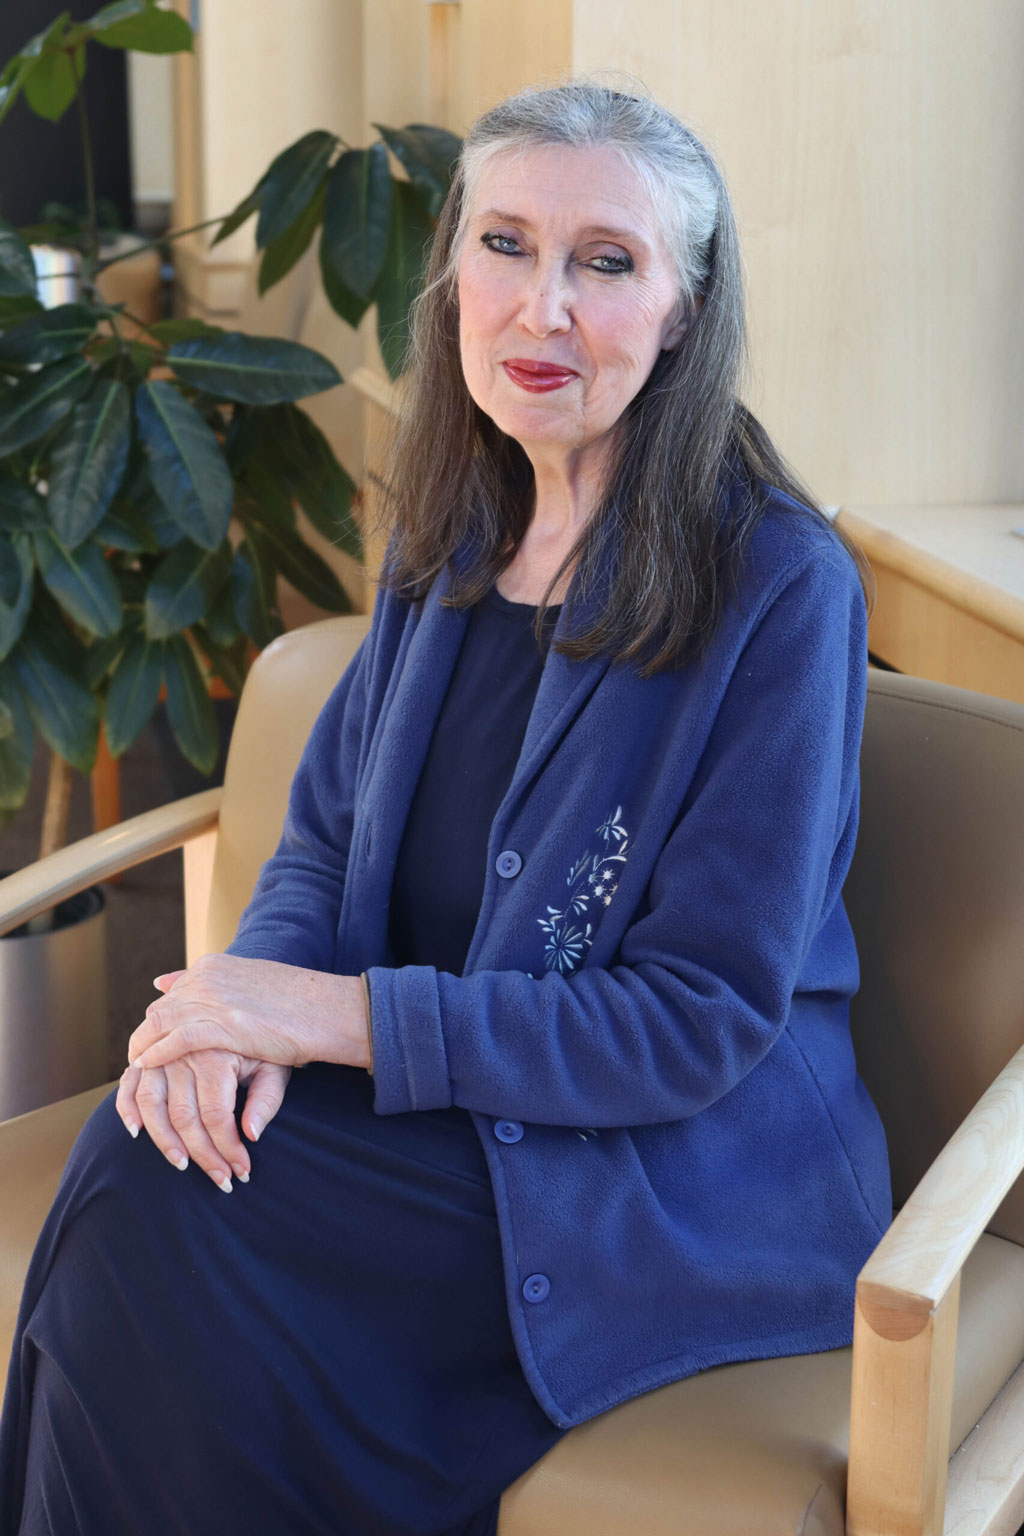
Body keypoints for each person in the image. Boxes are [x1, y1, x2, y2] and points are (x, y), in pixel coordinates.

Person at [0, 80, 891, 1536]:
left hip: (648, 1179)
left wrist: (321, 1018)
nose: (544, 307)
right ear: (454, 271)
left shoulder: (782, 587)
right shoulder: (452, 524)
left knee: (139, 1212)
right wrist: (237, 1016)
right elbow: (324, 845)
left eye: (607, 261)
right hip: (441, 1122)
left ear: (684, 307)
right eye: (505, 244)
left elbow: (697, 1021)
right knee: (144, 1164)